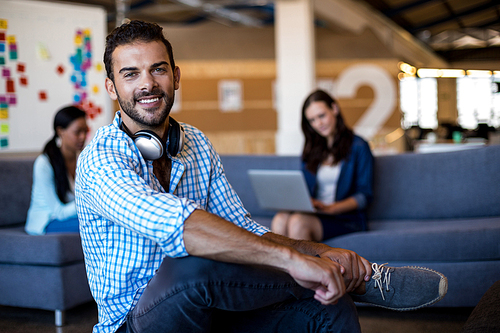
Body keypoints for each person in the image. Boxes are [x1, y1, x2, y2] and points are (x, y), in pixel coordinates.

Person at [75, 20, 447, 333]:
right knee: (191, 264)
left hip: (210, 308)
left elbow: (247, 229)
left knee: (329, 305)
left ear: (176, 75)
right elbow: (180, 228)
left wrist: (322, 252)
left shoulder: (195, 143)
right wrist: (293, 261)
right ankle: (362, 282)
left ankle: (344, 278)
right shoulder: (100, 160)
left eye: (158, 68)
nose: (148, 84)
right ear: (112, 88)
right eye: (130, 74)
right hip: (132, 322)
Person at [272, 90, 373, 241]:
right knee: (280, 219)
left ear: (334, 109)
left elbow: (364, 196)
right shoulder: (312, 149)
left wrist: (332, 208)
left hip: (345, 218)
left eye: (321, 116)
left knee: (298, 222)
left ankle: (302, 265)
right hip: (316, 213)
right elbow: (304, 188)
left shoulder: (359, 146)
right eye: (312, 120)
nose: (318, 124)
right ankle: (283, 265)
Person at [25, 106, 88, 235]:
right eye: (77, 132)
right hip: (46, 221)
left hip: (69, 217)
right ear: (60, 131)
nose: (83, 137)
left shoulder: (82, 159)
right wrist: (91, 201)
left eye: (85, 131)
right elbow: (58, 212)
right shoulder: (44, 163)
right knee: (95, 223)